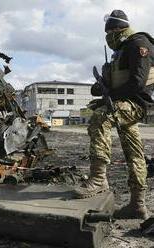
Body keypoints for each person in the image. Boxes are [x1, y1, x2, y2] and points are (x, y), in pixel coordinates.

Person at [74, 9, 154, 220]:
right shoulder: (122, 49)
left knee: (100, 117)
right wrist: (101, 89)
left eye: (109, 32)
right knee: (135, 154)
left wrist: (109, 98)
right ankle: (138, 205)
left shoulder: (139, 44)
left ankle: (99, 179)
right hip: (122, 102)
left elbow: (137, 82)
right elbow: (116, 80)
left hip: (135, 104)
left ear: (118, 29)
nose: (108, 38)